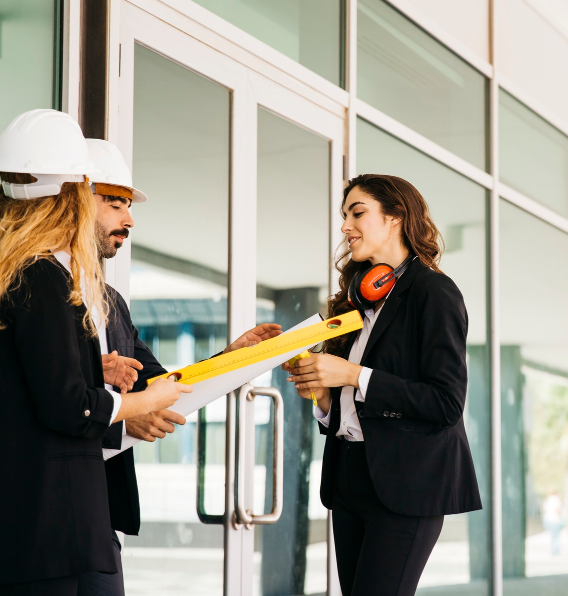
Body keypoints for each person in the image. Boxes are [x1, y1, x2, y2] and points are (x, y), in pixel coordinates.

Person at [0, 110, 191, 595]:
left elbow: (24, 379)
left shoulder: (13, 271)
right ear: (76, 194)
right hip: (54, 524)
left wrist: (92, 369)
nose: (126, 218)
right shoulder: (41, 276)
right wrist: (140, 404)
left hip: (42, 523)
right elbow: (67, 403)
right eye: (107, 199)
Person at [79, 138, 281, 595]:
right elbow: (50, 393)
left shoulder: (111, 303)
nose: (128, 220)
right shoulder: (44, 289)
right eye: (114, 205)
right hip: (50, 508)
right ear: (76, 199)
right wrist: (118, 399)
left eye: (128, 207)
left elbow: (160, 384)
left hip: (101, 506)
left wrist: (231, 359)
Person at [283, 174, 482, 596]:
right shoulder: (358, 298)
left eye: (357, 213)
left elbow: (446, 402)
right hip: (350, 477)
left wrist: (351, 375)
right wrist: (321, 394)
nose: (345, 226)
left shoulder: (434, 292)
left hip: (407, 484)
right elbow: (350, 404)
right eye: (344, 216)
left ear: (395, 218)